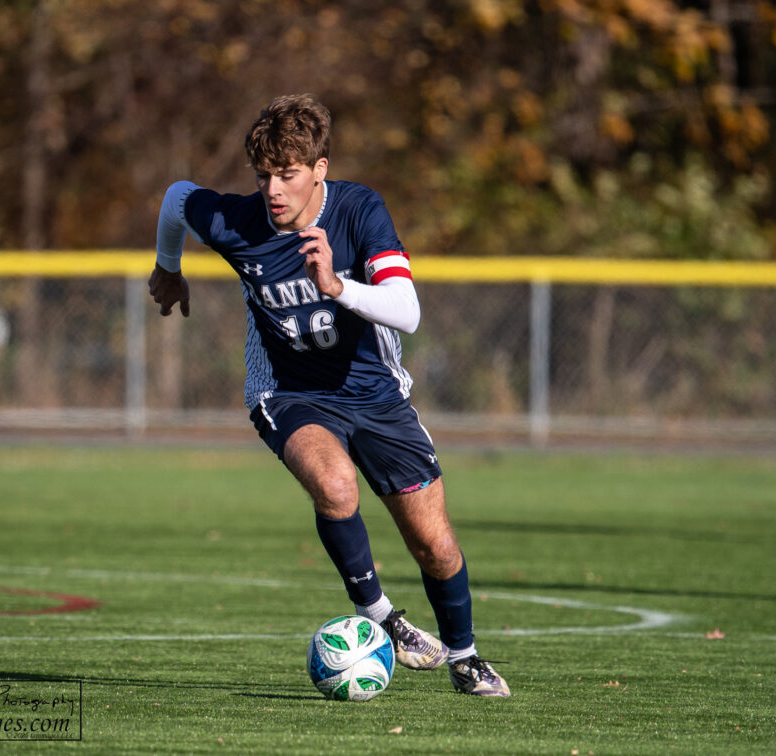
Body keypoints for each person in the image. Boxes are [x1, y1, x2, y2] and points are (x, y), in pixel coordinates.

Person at [148, 94, 510, 697]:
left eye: (288, 174)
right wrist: (168, 266)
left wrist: (337, 285)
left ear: (320, 169)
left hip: (376, 396)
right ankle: (383, 619)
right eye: (264, 176)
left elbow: (408, 311)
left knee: (435, 545)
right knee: (336, 485)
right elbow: (177, 198)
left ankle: (466, 657)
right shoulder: (238, 221)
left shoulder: (359, 210)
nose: (274, 190)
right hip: (288, 392)